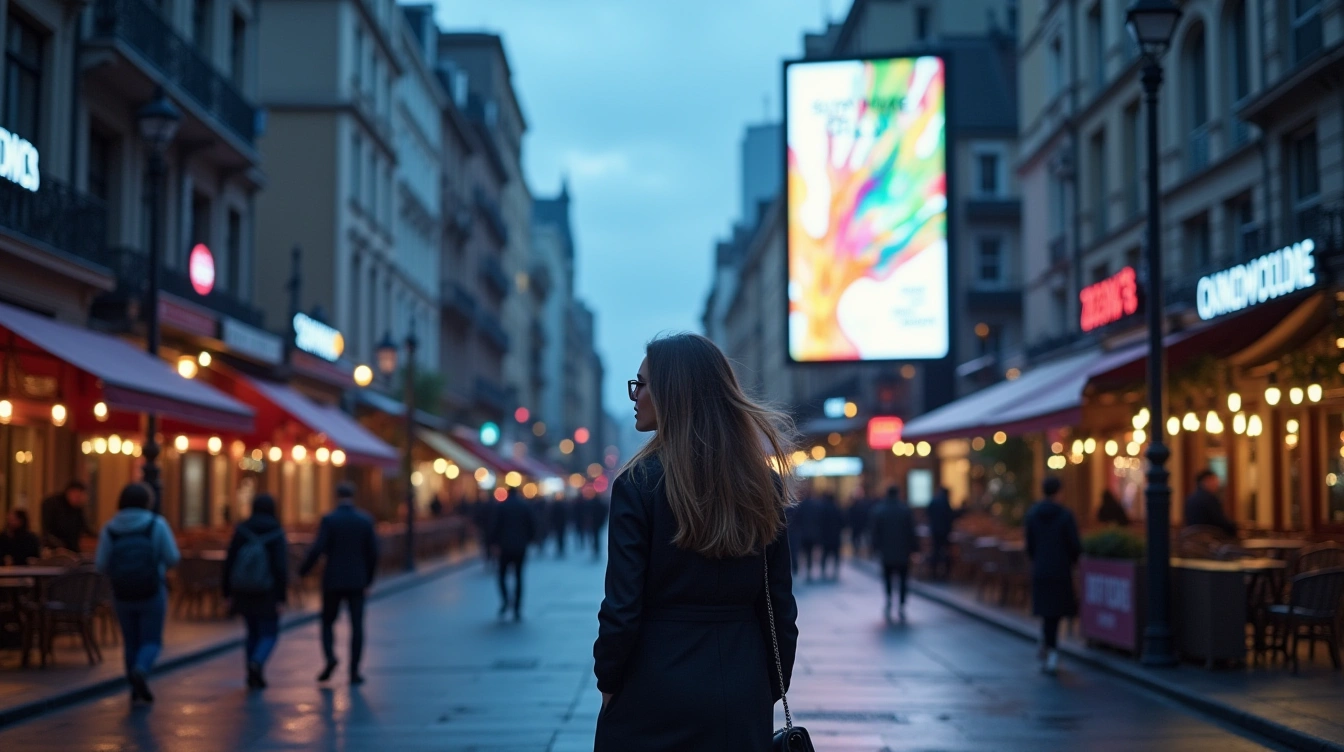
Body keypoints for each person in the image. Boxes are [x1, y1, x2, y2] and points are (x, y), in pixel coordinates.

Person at [594, 333, 797, 750]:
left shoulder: (638, 484)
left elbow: (621, 608)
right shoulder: (763, 486)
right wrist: (765, 687)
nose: (635, 396)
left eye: (642, 384)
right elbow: (779, 603)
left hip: (655, 684)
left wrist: (609, 682)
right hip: (741, 684)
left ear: (672, 393)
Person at [95, 483, 180, 704]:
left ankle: (134, 687)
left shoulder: (110, 528)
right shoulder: (156, 524)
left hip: (121, 592)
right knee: (151, 640)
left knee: (130, 641)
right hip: (152, 590)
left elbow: (100, 563)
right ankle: (141, 670)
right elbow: (172, 557)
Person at [299, 482, 378, 685]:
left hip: (333, 578)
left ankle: (330, 657)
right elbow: (373, 554)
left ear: (336, 496)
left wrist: (303, 571)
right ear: (354, 496)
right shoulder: (364, 520)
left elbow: (318, 549)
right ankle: (354, 671)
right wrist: (369, 579)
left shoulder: (329, 520)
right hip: (357, 580)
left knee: (327, 622)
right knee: (357, 625)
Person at [222, 494, 288, 689]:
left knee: (251, 631)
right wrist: (281, 597)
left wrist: (227, 593)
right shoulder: (276, 532)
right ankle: (257, 662)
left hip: (243, 589)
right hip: (267, 590)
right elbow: (280, 568)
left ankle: (251, 673)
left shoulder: (242, 529)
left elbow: (229, 562)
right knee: (269, 632)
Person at [1024, 477, 1081, 676]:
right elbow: (1074, 545)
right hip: (1060, 568)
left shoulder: (1033, 514)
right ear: (1058, 492)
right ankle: (1052, 649)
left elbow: (1029, 544)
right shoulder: (1065, 515)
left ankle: (1049, 646)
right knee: (1056, 612)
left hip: (1041, 567)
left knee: (1046, 611)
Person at [871, 486, 918, 621]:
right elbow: (911, 531)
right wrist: (914, 548)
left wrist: (875, 548)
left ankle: (889, 598)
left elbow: (875, 532)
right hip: (903, 551)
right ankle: (902, 602)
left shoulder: (880, 510)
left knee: (888, 577)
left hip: (886, 551)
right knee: (903, 578)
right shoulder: (905, 510)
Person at [488, 489, 535, 620]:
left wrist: (493, 543)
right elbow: (531, 525)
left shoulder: (502, 507)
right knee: (519, 576)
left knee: (502, 575)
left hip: (504, 547)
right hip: (520, 547)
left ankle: (505, 600)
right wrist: (530, 540)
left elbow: (495, 526)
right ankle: (517, 607)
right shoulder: (524, 506)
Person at [41, 480, 92, 552]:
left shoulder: (77, 509)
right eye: (77, 496)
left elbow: (85, 527)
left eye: (80, 496)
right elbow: (47, 532)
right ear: (69, 492)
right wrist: (58, 545)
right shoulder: (53, 504)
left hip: (72, 549)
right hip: (54, 549)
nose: (78, 499)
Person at [1184, 469, 1237, 538]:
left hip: (1193, 540)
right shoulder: (1210, 499)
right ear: (1206, 481)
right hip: (1211, 538)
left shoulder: (1190, 498)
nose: (1217, 484)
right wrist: (1234, 528)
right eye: (1214, 480)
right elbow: (1220, 521)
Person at [926, 487, 961, 580]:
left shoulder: (934, 500)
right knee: (945, 552)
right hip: (944, 531)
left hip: (935, 530)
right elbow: (950, 515)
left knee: (936, 551)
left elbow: (928, 511)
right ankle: (944, 574)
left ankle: (933, 573)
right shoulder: (945, 502)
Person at [796, 494, 822, 581]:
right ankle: (808, 569)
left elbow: (798, 520)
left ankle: (803, 569)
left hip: (803, 534)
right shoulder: (815, 506)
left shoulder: (801, 506)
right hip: (812, 534)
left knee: (804, 552)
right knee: (810, 553)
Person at [819, 493, 844, 580]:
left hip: (826, 536)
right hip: (835, 536)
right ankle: (835, 570)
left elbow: (820, 522)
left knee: (825, 554)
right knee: (835, 555)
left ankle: (823, 570)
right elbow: (842, 522)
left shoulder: (823, 509)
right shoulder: (837, 509)